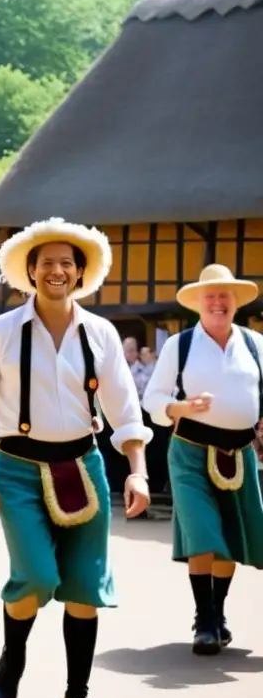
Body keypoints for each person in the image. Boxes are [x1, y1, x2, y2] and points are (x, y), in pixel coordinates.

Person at [0, 218, 151, 698]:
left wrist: (137, 471)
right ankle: (12, 657)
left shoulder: (102, 333)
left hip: (83, 465)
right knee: (37, 578)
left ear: (81, 272)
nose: (57, 270)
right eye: (47, 262)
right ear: (29, 271)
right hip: (17, 467)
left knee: (86, 587)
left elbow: (125, 410)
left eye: (67, 262)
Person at [142, 264, 263, 655]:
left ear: (235, 303)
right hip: (190, 451)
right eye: (209, 296)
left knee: (228, 537)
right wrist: (180, 407)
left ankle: (218, 613)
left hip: (241, 453)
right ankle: (204, 618)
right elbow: (153, 401)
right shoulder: (180, 345)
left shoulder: (256, 344)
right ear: (197, 303)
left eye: (224, 296)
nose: (217, 302)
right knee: (203, 531)